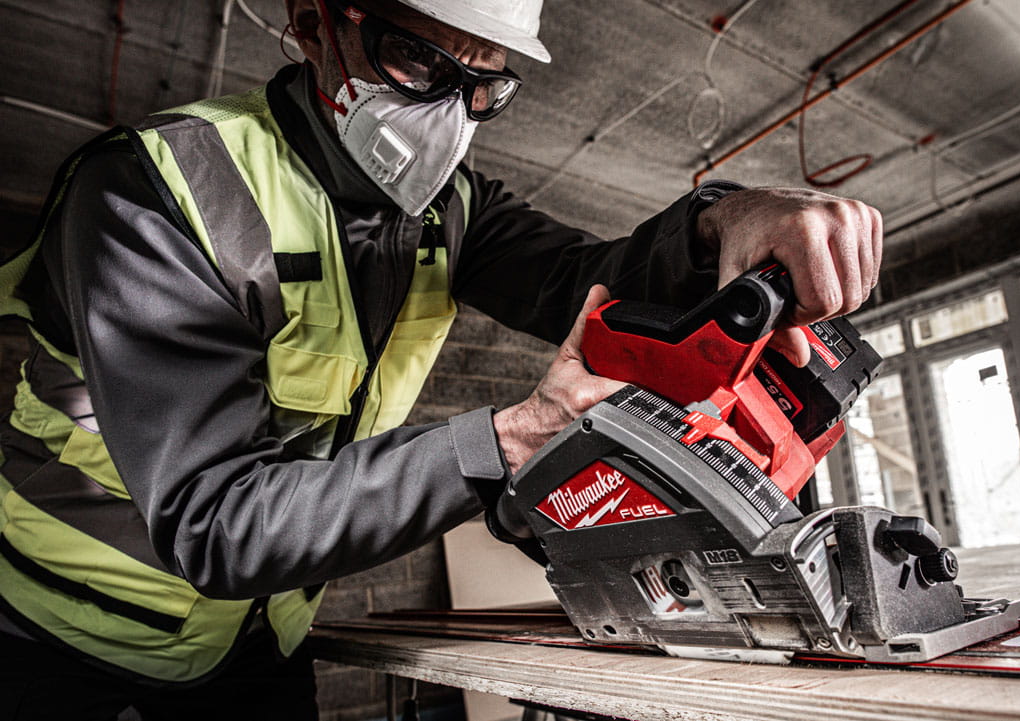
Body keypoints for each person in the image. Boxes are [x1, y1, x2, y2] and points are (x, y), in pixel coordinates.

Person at [0, 0, 882, 718]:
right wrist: (513, 437)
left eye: (484, 85)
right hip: (56, 630)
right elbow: (217, 521)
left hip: (253, 640)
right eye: (417, 62)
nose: (448, 118)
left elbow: (590, 280)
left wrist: (721, 222)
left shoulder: (452, 212)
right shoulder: (160, 191)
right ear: (314, 24)